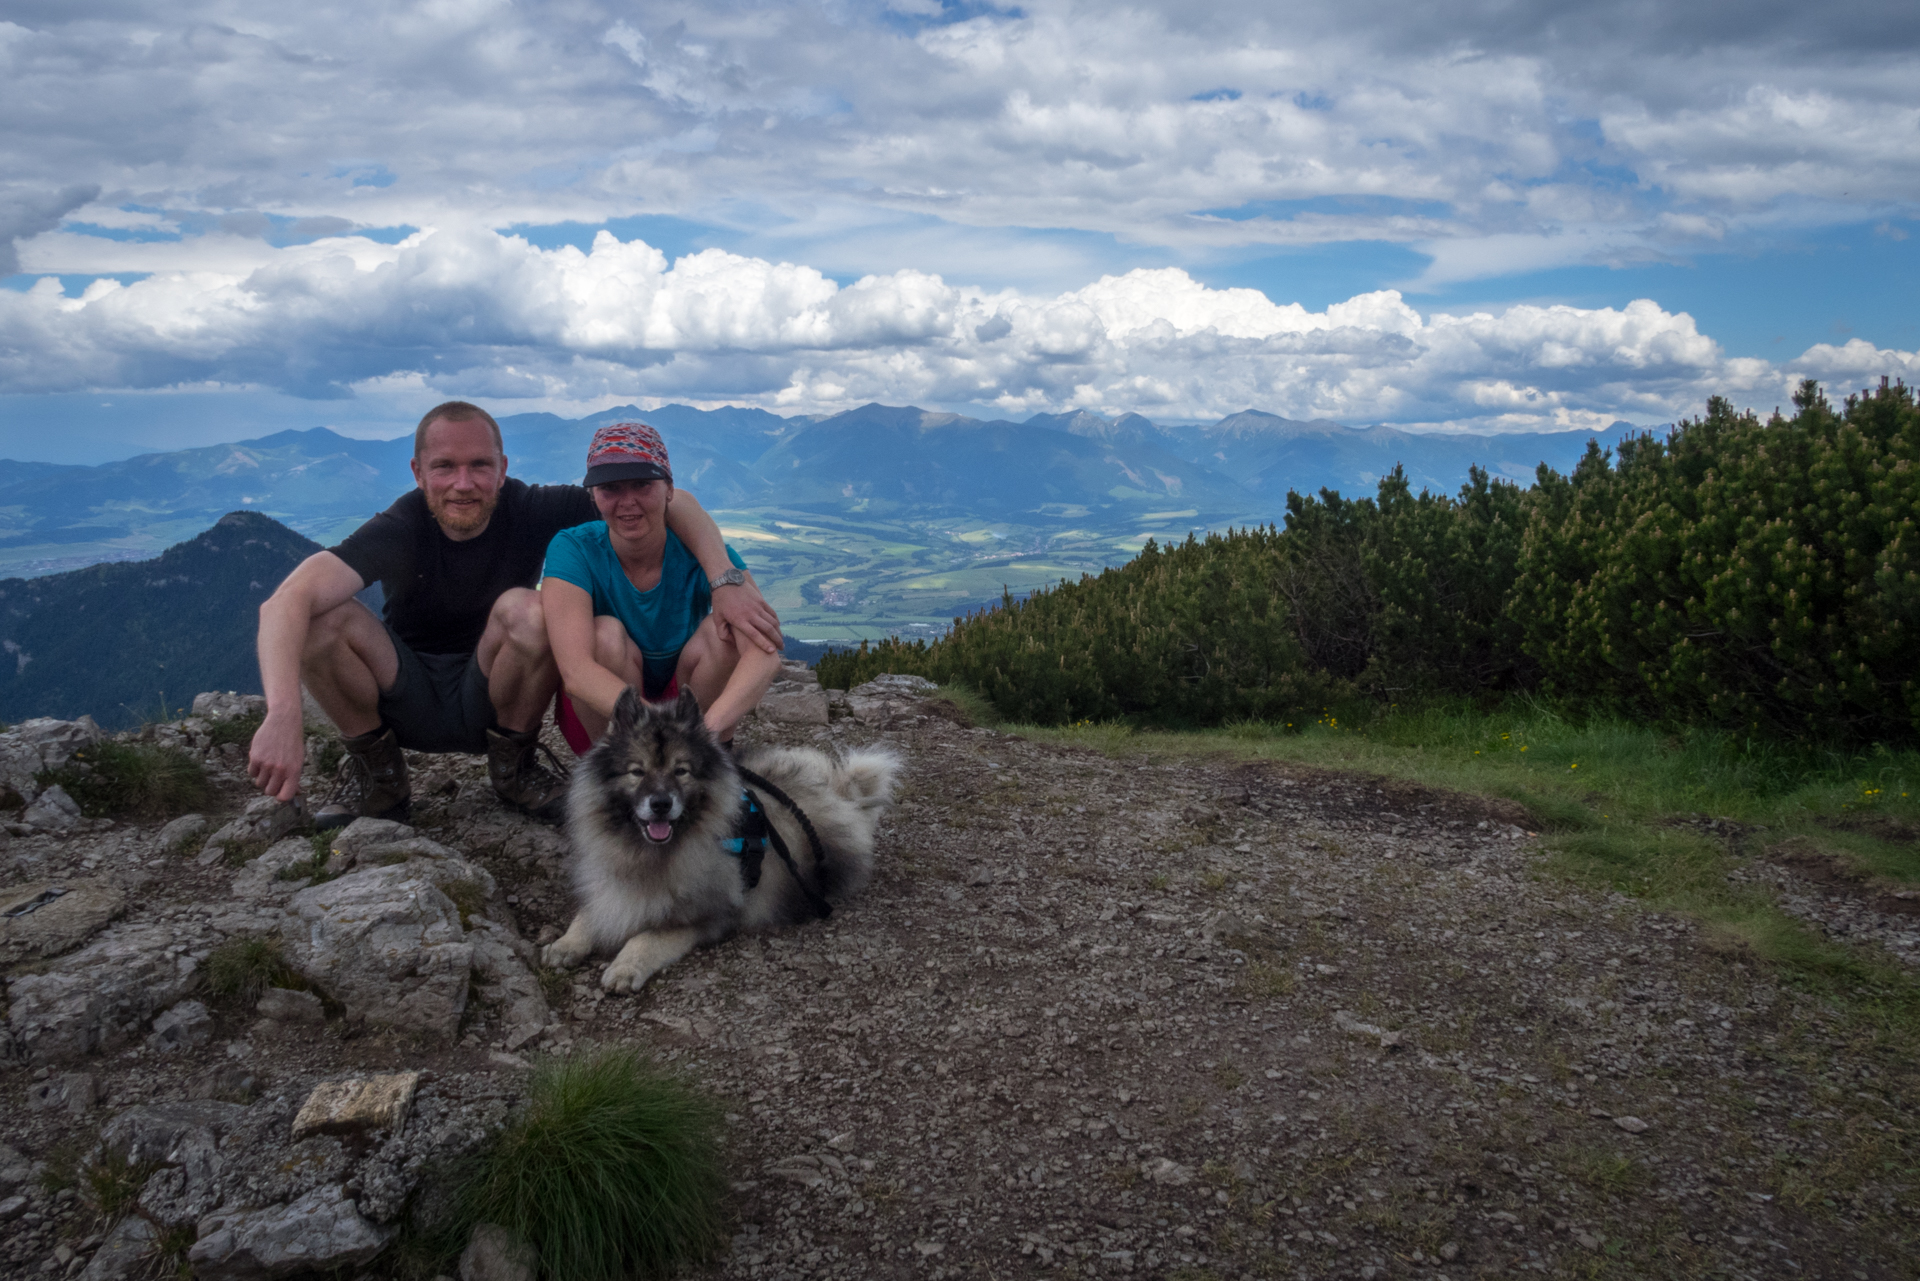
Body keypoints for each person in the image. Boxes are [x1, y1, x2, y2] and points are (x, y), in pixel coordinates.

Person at [248, 401, 781, 827]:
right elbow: (286, 602)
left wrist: (725, 579)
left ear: (502, 470)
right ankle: (378, 777)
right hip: (405, 691)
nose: (464, 483)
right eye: (444, 467)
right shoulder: (398, 527)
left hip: (494, 694)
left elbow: (668, 500)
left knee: (528, 609)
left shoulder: (535, 509)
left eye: (479, 465)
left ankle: (515, 770)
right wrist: (282, 712)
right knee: (321, 618)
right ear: (417, 473)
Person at [542, 422, 783, 749]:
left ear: (669, 490)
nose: (627, 502)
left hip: (690, 712)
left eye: (642, 484)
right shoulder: (574, 549)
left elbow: (765, 653)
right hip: (605, 712)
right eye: (610, 488)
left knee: (723, 633)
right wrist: (656, 728)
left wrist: (699, 733)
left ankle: (710, 760)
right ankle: (616, 775)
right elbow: (576, 671)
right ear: (593, 496)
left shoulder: (702, 553)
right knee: (604, 636)